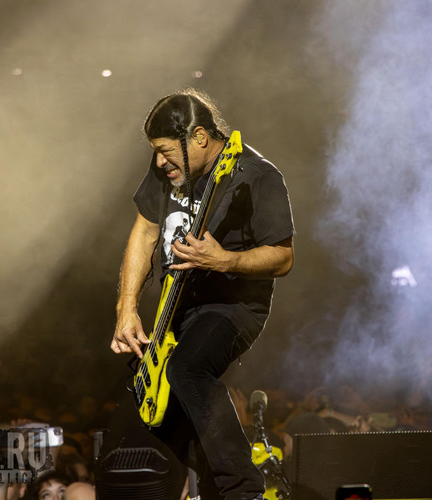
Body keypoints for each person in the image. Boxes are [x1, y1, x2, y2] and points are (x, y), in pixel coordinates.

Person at [110, 89, 294, 500]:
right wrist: (126, 308)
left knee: (187, 369)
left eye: (164, 151)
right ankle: (213, 487)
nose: (160, 162)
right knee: (153, 412)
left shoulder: (257, 175)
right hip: (175, 308)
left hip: (232, 307)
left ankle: (243, 491)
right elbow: (145, 230)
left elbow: (283, 257)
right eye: (155, 153)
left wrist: (224, 260)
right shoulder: (166, 172)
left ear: (199, 137)